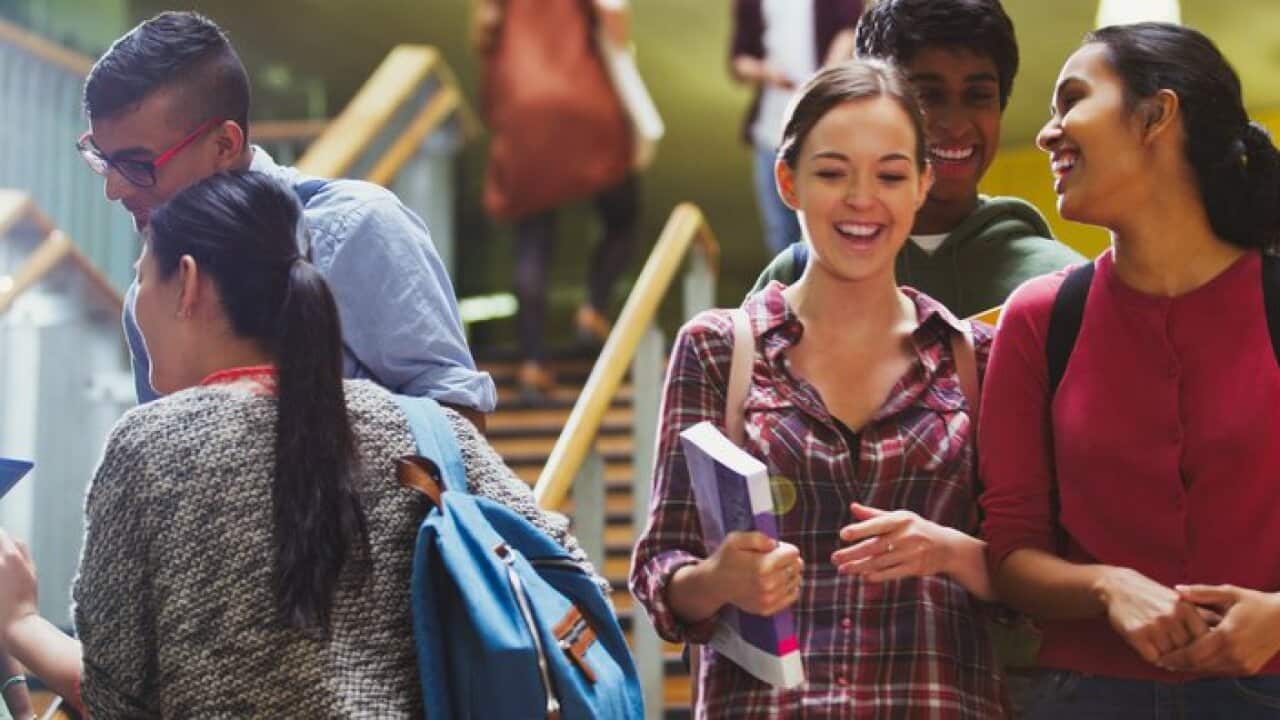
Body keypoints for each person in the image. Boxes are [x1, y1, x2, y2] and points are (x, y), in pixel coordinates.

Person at [0, 172, 602, 717]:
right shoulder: (426, 431)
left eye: (140, 278)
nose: (137, 306)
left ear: (186, 282)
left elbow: (116, 700)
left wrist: (21, 620)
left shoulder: (149, 448)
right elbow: (575, 584)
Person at [631, 60, 1007, 718]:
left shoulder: (974, 360)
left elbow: (1037, 574)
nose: (863, 198)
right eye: (833, 173)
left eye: (890, 175)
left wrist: (950, 551)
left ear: (922, 184)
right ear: (789, 181)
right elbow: (661, 573)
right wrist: (719, 578)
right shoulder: (719, 349)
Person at [980, 23, 1280, 718]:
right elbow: (1012, 551)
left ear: (1156, 116)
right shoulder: (1039, 318)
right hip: (1081, 696)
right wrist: (1106, 586)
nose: (1049, 133)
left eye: (1071, 101)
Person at [78, 11, 495, 426]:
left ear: (224, 144)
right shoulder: (149, 294)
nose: (115, 188)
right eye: (104, 160)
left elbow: (460, 429)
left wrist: (315, 461)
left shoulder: (356, 228)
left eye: (137, 163)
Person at [752, 0, 1084, 318]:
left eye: (978, 96)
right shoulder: (795, 275)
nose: (955, 126)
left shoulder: (1060, 284)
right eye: (928, 96)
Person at [474, 0, 641, 398]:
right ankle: (593, 309)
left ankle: (533, 363)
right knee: (623, 214)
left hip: (523, 105)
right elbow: (614, 19)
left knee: (533, 238)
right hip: (582, 99)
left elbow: (485, 32)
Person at [730, 0, 862, 254]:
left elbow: (850, 28)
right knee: (780, 232)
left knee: (830, 227)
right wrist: (766, 72)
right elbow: (739, 59)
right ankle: (788, 290)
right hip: (771, 133)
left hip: (826, 131)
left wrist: (823, 80)